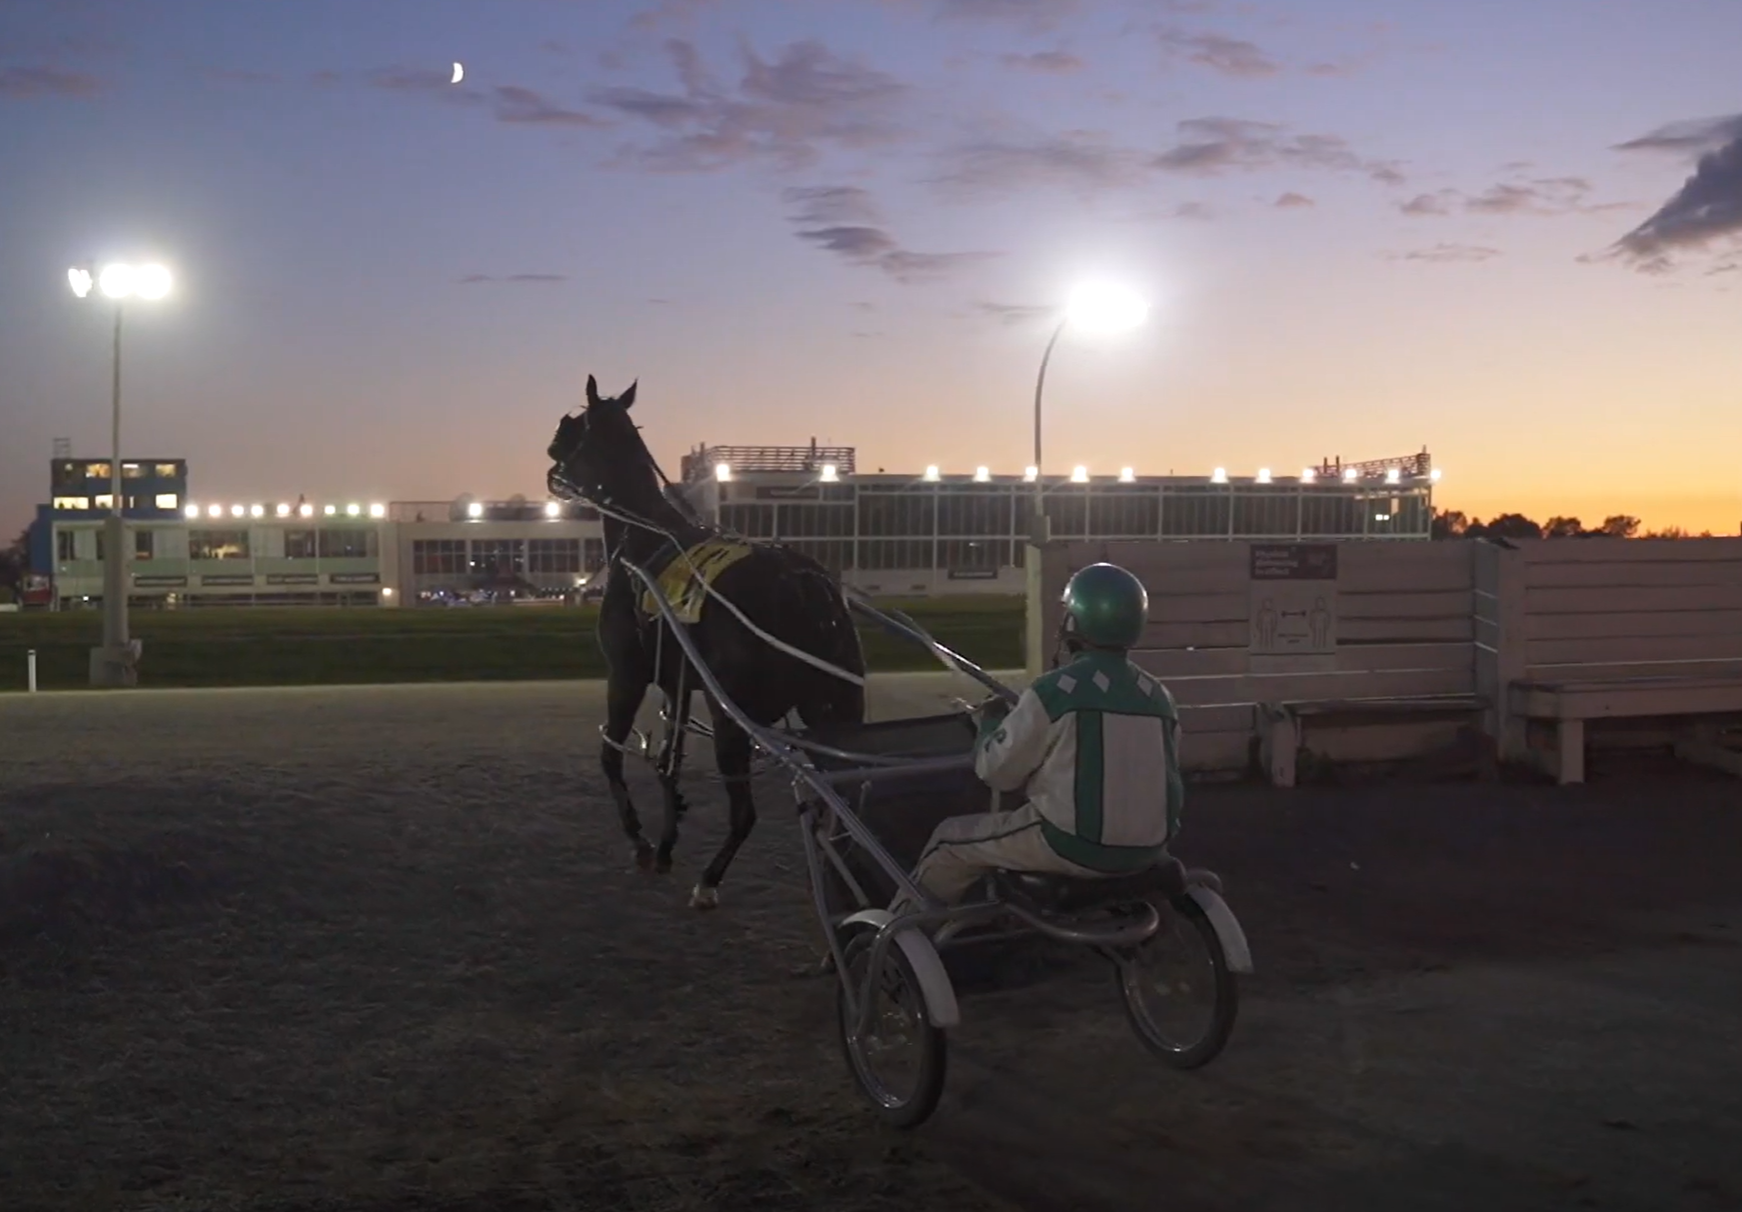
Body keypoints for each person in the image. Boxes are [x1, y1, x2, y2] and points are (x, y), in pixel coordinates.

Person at [892, 562, 1183, 912]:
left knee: (948, 841)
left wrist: (990, 723)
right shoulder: (1159, 697)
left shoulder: (1055, 690)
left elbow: (997, 773)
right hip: (1151, 848)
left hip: (1070, 846)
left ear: (1076, 622)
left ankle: (900, 941)